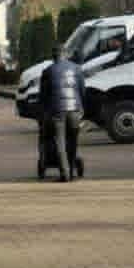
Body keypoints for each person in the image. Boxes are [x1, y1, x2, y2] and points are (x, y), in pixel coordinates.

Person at [39, 42, 86, 183]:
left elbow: (44, 95)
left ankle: (65, 174)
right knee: (73, 141)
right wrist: (81, 107)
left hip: (57, 110)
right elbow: (82, 89)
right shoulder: (77, 69)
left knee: (60, 142)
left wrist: (44, 112)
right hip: (74, 108)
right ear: (65, 54)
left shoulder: (47, 71)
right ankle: (71, 171)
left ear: (53, 56)